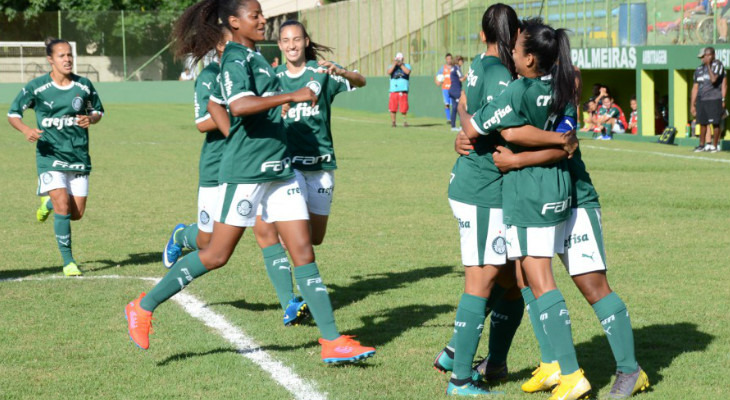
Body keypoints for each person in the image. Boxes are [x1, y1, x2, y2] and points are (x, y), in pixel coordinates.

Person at [124, 0, 376, 365]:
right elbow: (239, 106)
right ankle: (142, 306)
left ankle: (332, 340)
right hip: (246, 172)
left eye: (261, 14)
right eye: (254, 15)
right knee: (215, 254)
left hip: (280, 170)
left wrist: (280, 105)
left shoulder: (256, 57)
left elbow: (258, 105)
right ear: (233, 22)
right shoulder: (234, 59)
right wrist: (291, 95)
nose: (262, 20)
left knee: (304, 252)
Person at [460, 18, 592, 400]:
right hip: (557, 183)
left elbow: (482, 128)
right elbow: (558, 139)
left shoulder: (518, 91)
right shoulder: (565, 83)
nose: (511, 54)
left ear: (530, 59)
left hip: (528, 189)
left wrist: (467, 113)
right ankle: (553, 364)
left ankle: (570, 372)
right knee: (528, 278)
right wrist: (559, 140)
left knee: (539, 278)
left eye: (517, 49)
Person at [250, 20, 366, 326]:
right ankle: (292, 301)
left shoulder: (322, 72)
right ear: (280, 46)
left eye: (296, 40)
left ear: (305, 41)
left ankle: (289, 260)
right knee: (289, 234)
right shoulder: (273, 78)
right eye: (285, 41)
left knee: (315, 238)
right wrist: (277, 108)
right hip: (289, 168)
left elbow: (361, 80)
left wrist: (341, 71)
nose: (291, 45)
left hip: (321, 166)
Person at [435, 4, 524, 396]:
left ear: (483, 33)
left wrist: (465, 131)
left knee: (512, 282)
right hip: (483, 191)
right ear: (513, 34)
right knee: (483, 280)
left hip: (476, 186)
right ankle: (460, 379)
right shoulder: (501, 74)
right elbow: (509, 130)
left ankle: (463, 356)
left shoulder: (477, 64)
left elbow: (465, 108)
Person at [7, 37, 104, 277]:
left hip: (78, 155)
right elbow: (13, 114)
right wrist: (27, 130)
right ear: (50, 60)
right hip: (49, 156)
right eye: (62, 55)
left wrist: (90, 119)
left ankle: (48, 202)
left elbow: (98, 111)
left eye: (70, 54)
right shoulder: (37, 87)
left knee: (76, 214)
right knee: (63, 206)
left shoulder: (84, 85)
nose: (68, 59)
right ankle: (68, 261)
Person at [161, 27, 233, 270]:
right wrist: (240, 113)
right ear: (221, 46)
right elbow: (202, 123)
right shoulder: (209, 76)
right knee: (207, 240)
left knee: (269, 230)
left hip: (248, 164)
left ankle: (289, 299)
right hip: (216, 165)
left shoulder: (251, 69)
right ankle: (181, 236)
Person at [692, 47, 726, 152]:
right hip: (702, 99)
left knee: (715, 123)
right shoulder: (698, 69)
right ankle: (701, 145)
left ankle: (714, 146)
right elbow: (695, 87)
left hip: (714, 98)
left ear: (713, 55)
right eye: (703, 56)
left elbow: (714, 80)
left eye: (706, 56)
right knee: (702, 123)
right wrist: (692, 104)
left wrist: (708, 65)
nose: (704, 58)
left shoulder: (718, 65)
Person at [387, 52, 411, 127]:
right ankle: (393, 122)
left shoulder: (407, 66)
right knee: (392, 108)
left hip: (403, 90)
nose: (399, 61)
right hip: (393, 90)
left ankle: (405, 121)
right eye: (397, 59)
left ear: (403, 59)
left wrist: (401, 65)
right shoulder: (391, 66)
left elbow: (407, 72)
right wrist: (394, 64)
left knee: (404, 108)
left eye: (400, 59)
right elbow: (389, 72)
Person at [447, 55, 466, 131]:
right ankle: (462, 126)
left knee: (454, 108)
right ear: (458, 61)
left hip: (451, 90)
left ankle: (453, 127)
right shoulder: (457, 68)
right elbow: (461, 79)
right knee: (462, 108)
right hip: (456, 91)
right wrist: (467, 75)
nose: (462, 62)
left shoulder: (453, 68)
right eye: (461, 61)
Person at [436, 53, 454, 122]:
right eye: (448, 59)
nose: (449, 60)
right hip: (445, 89)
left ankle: (453, 118)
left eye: (450, 59)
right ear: (446, 60)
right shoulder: (443, 68)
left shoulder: (454, 67)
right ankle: (448, 119)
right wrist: (437, 81)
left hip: (453, 88)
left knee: (454, 105)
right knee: (447, 104)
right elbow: (437, 75)